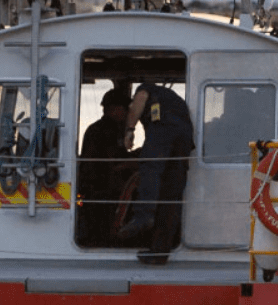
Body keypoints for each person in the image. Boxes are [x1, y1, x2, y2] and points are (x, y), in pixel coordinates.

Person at [117, 82, 195, 264]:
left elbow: (138, 103)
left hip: (165, 128)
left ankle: (143, 216)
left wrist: (129, 131)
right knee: (171, 196)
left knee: (150, 166)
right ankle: (159, 253)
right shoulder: (173, 100)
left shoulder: (145, 90)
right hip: (184, 139)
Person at [76, 85, 135, 247]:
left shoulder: (108, 129)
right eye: (124, 109)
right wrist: (136, 160)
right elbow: (114, 163)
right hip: (101, 190)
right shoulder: (102, 131)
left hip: (103, 189)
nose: (126, 114)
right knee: (102, 228)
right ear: (114, 109)